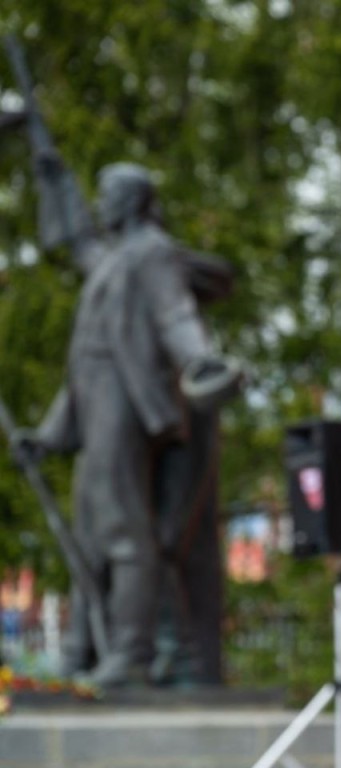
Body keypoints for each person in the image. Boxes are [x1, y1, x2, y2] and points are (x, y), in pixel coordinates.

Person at [17, 163, 241, 687]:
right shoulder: (113, 259)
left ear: (136, 201)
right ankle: (81, 649)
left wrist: (199, 363)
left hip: (126, 401)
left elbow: (175, 315)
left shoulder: (152, 251)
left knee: (123, 526)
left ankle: (132, 652)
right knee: (90, 530)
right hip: (95, 402)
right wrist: (51, 434)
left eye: (108, 195)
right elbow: (75, 249)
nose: (99, 205)